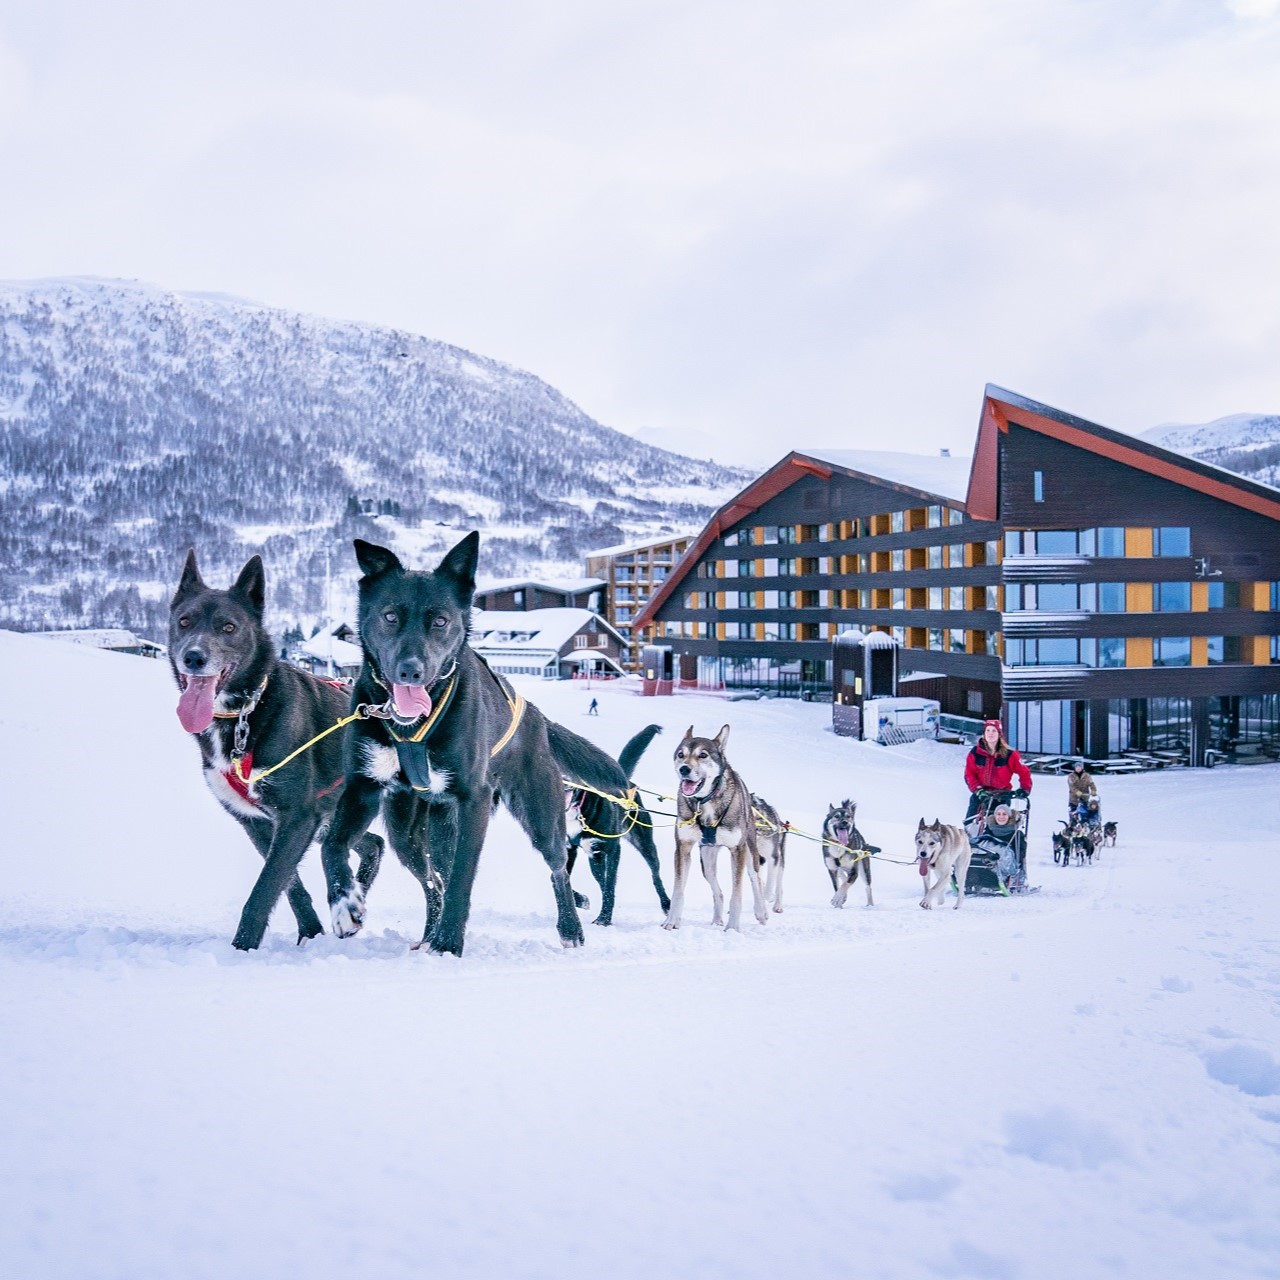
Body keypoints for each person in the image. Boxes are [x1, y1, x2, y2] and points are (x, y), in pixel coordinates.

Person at [964, 719, 1032, 820]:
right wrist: (977, 790)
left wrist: (1024, 789)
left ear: (999, 734)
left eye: (994, 731)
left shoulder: (1010, 754)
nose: (990, 734)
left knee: (999, 828)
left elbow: (1024, 772)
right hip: (981, 796)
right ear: (984, 733)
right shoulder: (975, 753)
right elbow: (969, 774)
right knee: (970, 825)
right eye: (988, 730)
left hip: (1002, 796)